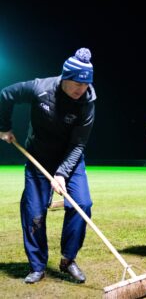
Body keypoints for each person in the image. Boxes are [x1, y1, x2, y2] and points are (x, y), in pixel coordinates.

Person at [0, 48, 97, 283]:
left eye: (85, 84)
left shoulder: (87, 102)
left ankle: (68, 259)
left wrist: (62, 174)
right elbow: (5, 96)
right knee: (34, 212)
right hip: (38, 158)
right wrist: (4, 126)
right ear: (65, 76)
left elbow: (78, 143)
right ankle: (37, 266)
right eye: (76, 83)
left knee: (82, 204)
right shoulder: (40, 88)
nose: (80, 89)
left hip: (70, 160)